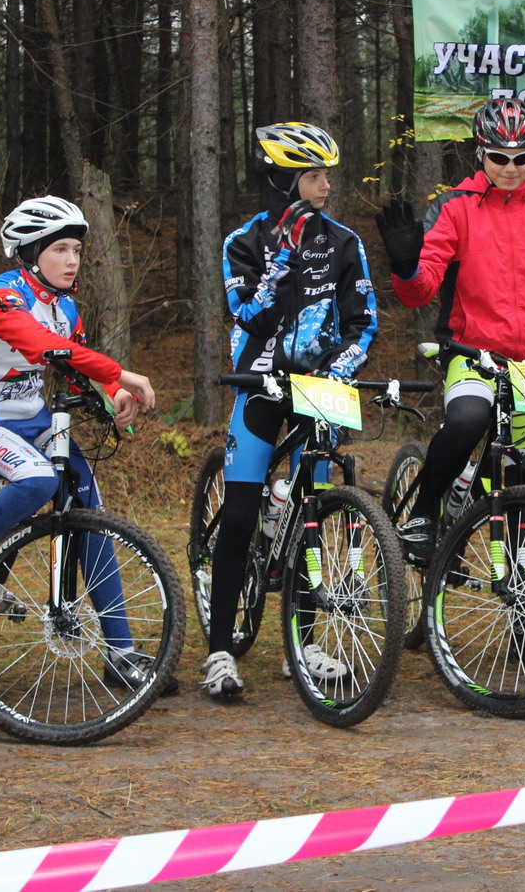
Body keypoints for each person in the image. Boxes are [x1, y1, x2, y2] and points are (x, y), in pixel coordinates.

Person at [0, 195, 168, 693]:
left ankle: (121, 653)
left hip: (36, 419)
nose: (72, 261)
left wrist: (111, 393)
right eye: (60, 250)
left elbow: (75, 361)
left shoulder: (64, 306)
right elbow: (42, 345)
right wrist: (121, 373)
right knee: (37, 479)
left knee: (90, 511)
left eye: (77, 251)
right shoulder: (2, 296)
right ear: (29, 253)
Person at [374, 97, 525, 566]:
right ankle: (424, 513)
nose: (511, 168)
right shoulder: (455, 208)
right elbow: (421, 290)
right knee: (468, 420)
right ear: (481, 152)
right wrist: (405, 266)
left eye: (522, 158)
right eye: (499, 157)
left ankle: (524, 597)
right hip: (471, 352)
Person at [209, 122, 378, 700]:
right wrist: (283, 258)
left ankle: (302, 646)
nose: (326, 185)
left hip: (319, 388)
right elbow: (249, 316)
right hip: (258, 383)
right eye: (314, 176)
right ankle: (220, 651)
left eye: (328, 175)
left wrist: (338, 372)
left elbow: (363, 323)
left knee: (312, 513)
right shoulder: (243, 241)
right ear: (285, 181)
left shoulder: (345, 242)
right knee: (238, 516)